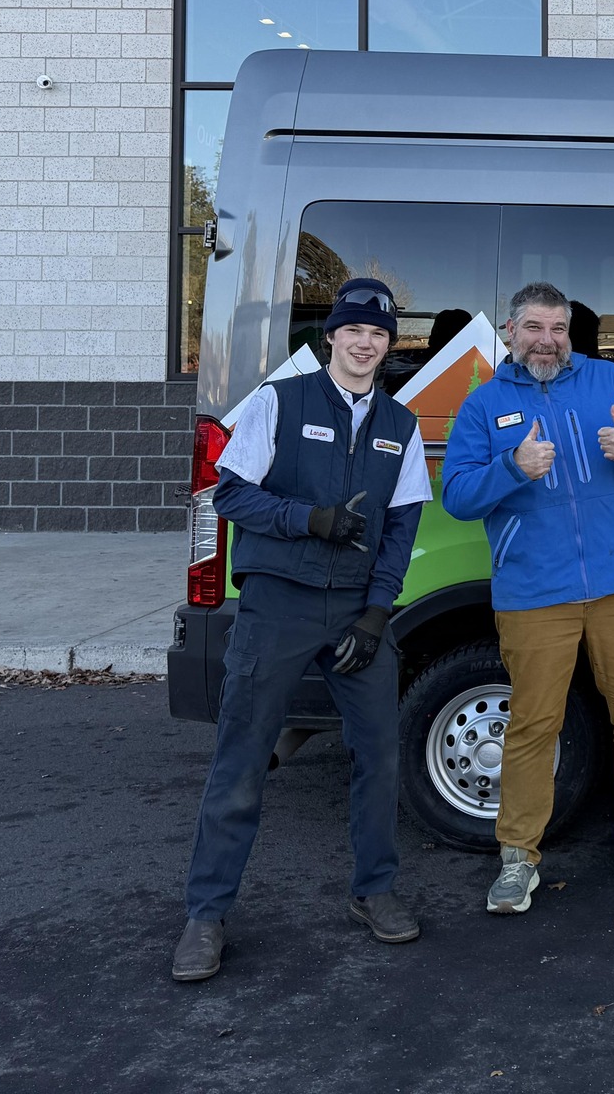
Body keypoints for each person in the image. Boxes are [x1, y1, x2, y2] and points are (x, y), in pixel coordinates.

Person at [173, 277, 431, 982]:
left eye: (378, 335)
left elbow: (403, 527)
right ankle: (206, 913)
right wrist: (306, 520)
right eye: (353, 331)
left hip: (354, 608)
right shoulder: (279, 403)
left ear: (388, 346)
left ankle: (374, 891)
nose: (364, 343)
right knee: (243, 756)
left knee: (379, 753)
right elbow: (228, 494)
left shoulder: (399, 428)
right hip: (277, 605)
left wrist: (380, 610)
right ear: (331, 337)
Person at [440, 282, 614, 915]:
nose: (547, 341)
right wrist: (512, 469)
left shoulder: (610, 382)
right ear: (510, 330)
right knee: (533, 726)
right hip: (532, 593)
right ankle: (518, 857)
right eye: (534, 328)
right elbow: (459, 497)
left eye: (558, 329)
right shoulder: (483, 405)